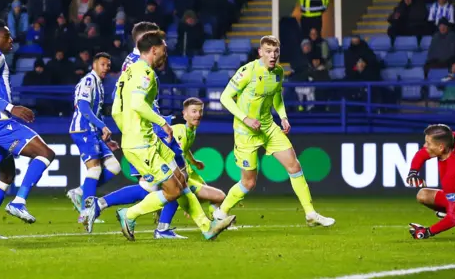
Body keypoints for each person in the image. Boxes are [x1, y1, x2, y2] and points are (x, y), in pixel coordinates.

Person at [86, 31, 235, 241]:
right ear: (154, 50)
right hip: (141, 144)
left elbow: (116, 111)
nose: (165, 55)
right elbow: (138, 104)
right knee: (172, 190)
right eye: (163, 50)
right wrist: (161, 122)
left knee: (181, 180)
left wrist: (127, 130)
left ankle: (206, 227)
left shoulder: (127, 73)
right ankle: (128, 214)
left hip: (146, 139)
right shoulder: (145, 73)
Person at [214, 35, 335, 227]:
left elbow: (276, 96)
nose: (273, 55)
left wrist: (283, 116)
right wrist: (245, 118)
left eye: (276, 52)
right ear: (260, 52)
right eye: (268, 51)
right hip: (246, 133)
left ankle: (310, 214)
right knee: (249, 183)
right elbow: (225, 98)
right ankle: (221, 212)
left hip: (268, 127)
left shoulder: (279, 72)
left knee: (294, 166)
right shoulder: (248, 71)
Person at [0, 19, 57, 239]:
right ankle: (19, 201)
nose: (11, 40)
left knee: (6, 175)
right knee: (46, 153)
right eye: (6, 36)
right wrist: (10, 108)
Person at [67, 52, 121, 232]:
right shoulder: (89, 81)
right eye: (103, 64)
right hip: (82, 129)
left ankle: (81, 191)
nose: (106, 68)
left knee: (114, 166)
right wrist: (102, 126)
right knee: (95, 169)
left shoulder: (99, 84)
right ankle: (85, 212)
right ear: (94, 64)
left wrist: (107, 138)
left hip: (92, 132)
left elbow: (96, 113)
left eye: (108, 65)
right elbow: (83, 107)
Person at [158, 97, 227, 234]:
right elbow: (175, 157)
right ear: (184, 114)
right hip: (175, 175)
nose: (198, 115)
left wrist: (194, 161)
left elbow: (184, 149)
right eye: (194, 111)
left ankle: (215, 220)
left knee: (218, 196)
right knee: (215, 196)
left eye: (200, 111)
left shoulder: (191, 130)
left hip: (183, 176)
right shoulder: (179, 131)